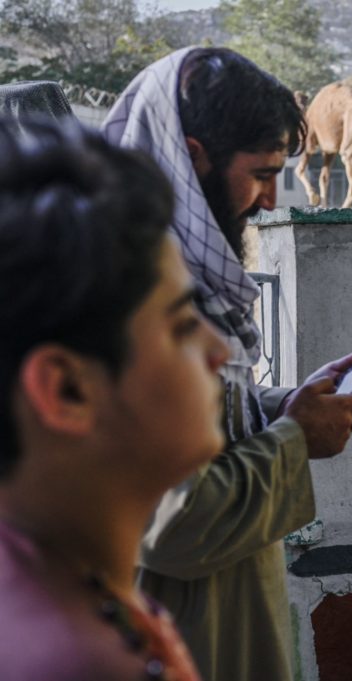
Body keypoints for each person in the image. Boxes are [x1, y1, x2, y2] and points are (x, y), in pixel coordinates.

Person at [102, 47, 352, 681]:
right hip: (176, 635)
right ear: (193, 155)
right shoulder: (127, 294)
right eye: (260, 173)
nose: (268, 201)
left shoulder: (190, 281)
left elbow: (205, 420)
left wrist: (281, 405)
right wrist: (294, 439)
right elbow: (170, 520)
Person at [0, 116, 229, 679]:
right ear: (68, 390)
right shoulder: (72, 661)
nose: (219, 349)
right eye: (181, 326)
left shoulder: (67, 582)